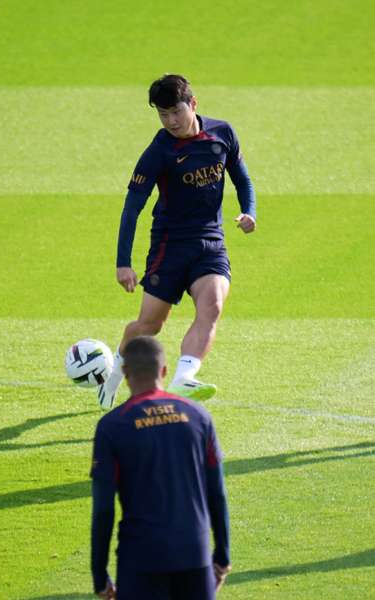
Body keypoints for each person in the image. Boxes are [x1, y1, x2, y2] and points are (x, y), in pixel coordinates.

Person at [96, 74, 256, 409]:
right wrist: (123, 262)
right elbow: (132, 207)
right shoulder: (159, 150)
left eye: (175, 112)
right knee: (149, 325)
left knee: (211, 307)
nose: (170, 121)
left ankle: (183, 378)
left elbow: (241, 178)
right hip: (170, 246)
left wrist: (248, 211)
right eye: (162, 114)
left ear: (193, 104)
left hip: (211, 241)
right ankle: (114, 373)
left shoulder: (222, 134)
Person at [90, 336, 231, 599]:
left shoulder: (112, 426)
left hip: (140, 559)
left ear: (125, 372)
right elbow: (217, 493)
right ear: (164, 371)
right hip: (194, 554)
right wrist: (222, 556)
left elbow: (103, 510)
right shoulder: (198, 416)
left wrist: (99, 575)